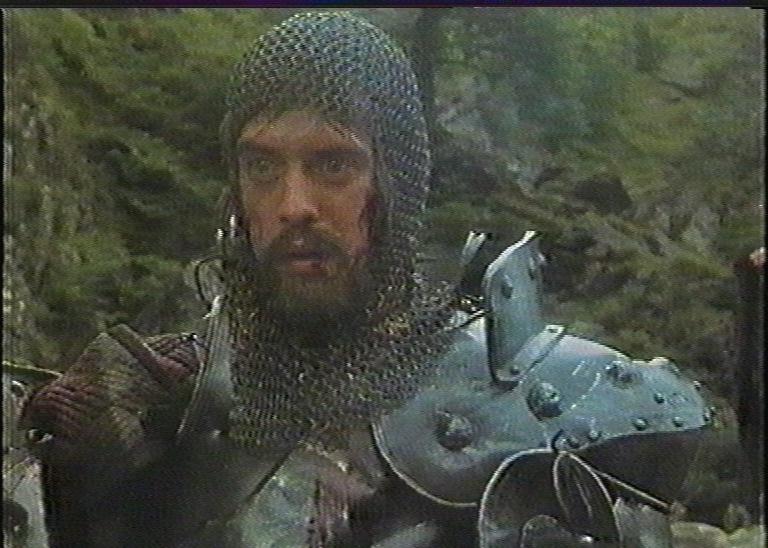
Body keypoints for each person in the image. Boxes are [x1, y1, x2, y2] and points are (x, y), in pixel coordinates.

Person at [19, 12, 712, 548]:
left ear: (394, 184)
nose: (293, 204)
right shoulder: (164, 396)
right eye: (262, 167)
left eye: (333, 165)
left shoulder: (539, 403)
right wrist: (77, 476)